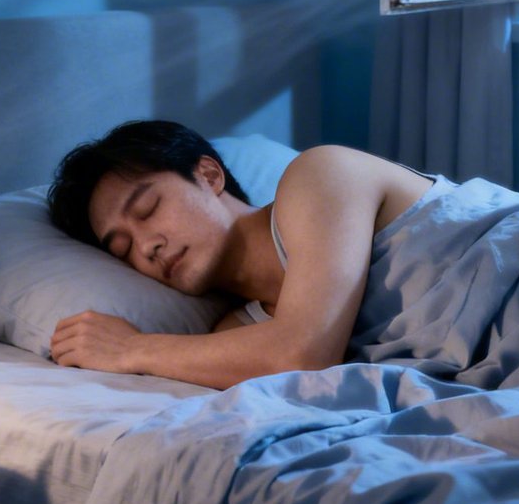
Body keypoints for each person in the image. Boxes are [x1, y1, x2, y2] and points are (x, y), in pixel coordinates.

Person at [46, 119, 430, 389]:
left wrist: (130, 348)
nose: (146, 247)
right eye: (123, 248)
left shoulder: (321, 175)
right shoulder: (235, 337)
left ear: (209, 176)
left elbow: (302, 356)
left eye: (148, 209)